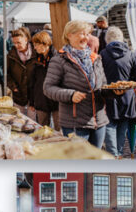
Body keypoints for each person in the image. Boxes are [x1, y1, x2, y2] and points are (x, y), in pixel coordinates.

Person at [43, 20, 122, 149]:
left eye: (87, 34)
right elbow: (48, 88)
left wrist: (113, 91)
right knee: (79, 164)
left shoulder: (95, 58)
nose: (85, 38)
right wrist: (70, 94)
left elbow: (102, 87)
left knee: (93, 162)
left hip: (98, 121)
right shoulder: (59, 60)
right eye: (81, 34)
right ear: (69, 35)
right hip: (75, 123)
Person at [99, 26, 136, 157]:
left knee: (110, 125)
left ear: (107, 40)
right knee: (123, 126)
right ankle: (118, 153)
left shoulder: (102, 54)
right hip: (127, 96)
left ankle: (113, 155)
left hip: (108, 95)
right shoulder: (130, 54)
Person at [6, 27, 36, 117]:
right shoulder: (11, 55)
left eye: (18, 42)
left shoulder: (36, 52)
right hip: (18, 94)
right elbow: (6, 74)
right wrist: (13, 87)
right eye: (14, 43)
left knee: (33, 122)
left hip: (33, 95)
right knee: (19, 120)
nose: (16, 45)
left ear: (26, 39)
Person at [30, 31, 58, 127]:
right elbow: (32, 82)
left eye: (36, 45)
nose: (34, 48)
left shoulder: (57, 59)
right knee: (42, 129)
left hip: (56, 100)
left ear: (44, 43)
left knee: (59, 131)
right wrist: (32, 101)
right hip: (41, 100)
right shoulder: (36, 59)